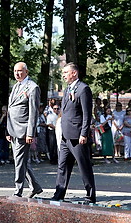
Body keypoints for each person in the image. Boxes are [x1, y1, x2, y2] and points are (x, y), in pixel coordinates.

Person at [51, 63, 96, 203]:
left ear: (74, 73)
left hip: (77, 135)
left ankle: (90, 195)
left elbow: (87, 114)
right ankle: (59, 193)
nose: (63, 75)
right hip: (65, 135)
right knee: (62, 165)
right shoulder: (67, 90)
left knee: (84, 166)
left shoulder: (83, 89)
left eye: (66, 72)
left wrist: (84, 133)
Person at [6, 62, 43, 198]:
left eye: (20, 71)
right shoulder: (15, 86)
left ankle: (18, 190)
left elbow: (33, 113)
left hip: (23, 131)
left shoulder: (33, 88)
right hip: (13, 130)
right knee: (20, 160)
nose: (17, 73)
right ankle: (35, 186)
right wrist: (8, 131)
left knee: (19, 161)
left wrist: (30, 133)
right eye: (15, 71)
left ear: (26, 72)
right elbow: (11, 110)